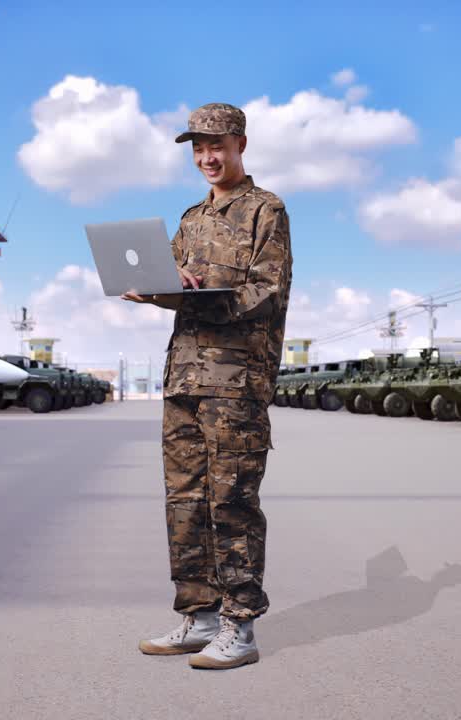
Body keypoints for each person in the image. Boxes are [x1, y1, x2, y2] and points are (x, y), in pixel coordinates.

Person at [121, 102, 292, 670]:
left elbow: (265, 290)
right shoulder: (191, 217)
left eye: (216, 145)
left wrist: (200, 293)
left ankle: (240, 624)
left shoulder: (266, 210)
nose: (207, 157)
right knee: (185, 501)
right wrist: (150, 288)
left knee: (233, 501)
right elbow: (169, 279)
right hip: (184, 378)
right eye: (197, 147)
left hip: (235, 381)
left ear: (241, 144)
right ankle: (199, 617)